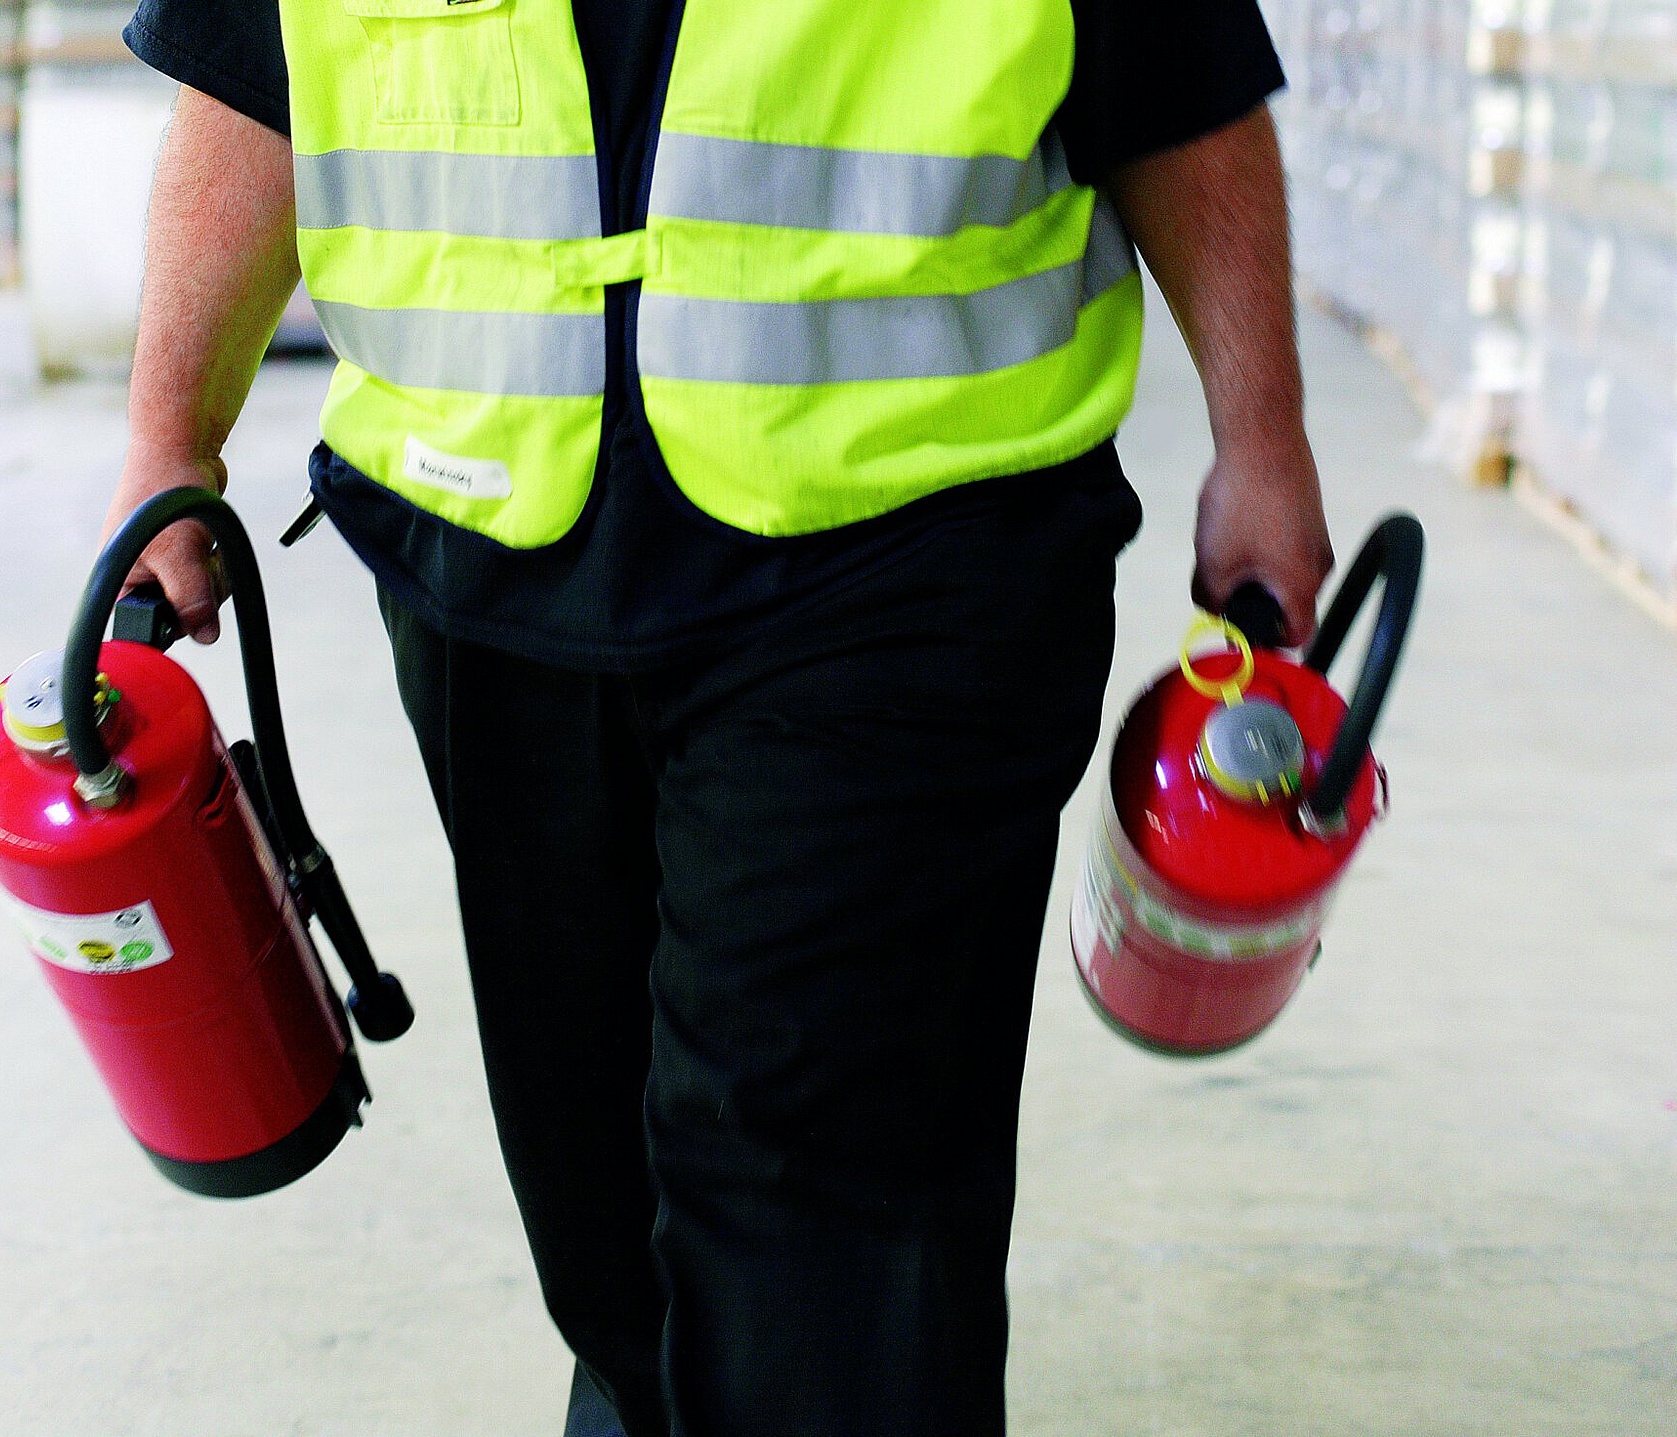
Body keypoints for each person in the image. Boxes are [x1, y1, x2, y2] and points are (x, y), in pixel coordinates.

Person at [103, 3, 1334, 1434]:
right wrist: (166, 433)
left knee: (812, 1196)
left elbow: (1173, 81)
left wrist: (1264, 436)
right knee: (594, 1180)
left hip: (905, 555)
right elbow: (264, 72)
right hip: (487, 555)